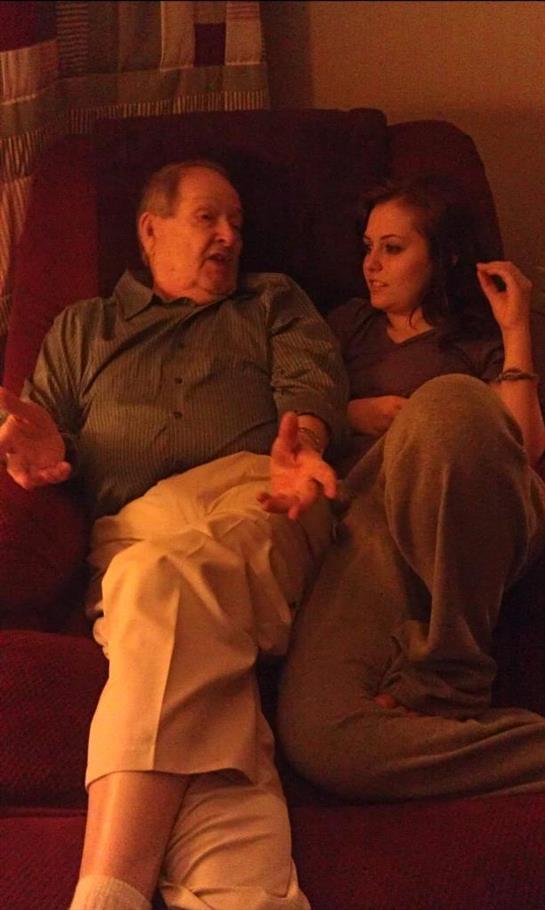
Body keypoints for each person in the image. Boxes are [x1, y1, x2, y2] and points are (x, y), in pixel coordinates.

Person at [0, 159, 348, 910]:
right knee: (178, 630)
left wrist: (308, 443)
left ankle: (107, 894)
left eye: (237, 224)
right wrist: (44, 452)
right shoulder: (82, 328)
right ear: (150, 230)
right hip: (133, 531)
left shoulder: (271, 300)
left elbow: (312, 384)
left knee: (153, 585)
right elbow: (42, 429)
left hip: (260, 501)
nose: (229, 237)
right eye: (207, 218)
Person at [277, 173, 545, 803]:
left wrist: (515, 331)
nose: (371, 264)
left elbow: (525, 450)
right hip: (371, 528)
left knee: (449, 405)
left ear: (443, 255)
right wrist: (353, 415)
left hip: (475, 522)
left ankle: (449, 674)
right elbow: (298, 403)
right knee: (321, 739)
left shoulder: (479, 341)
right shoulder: (345, 327)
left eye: (393, 248)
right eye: (367, 247)